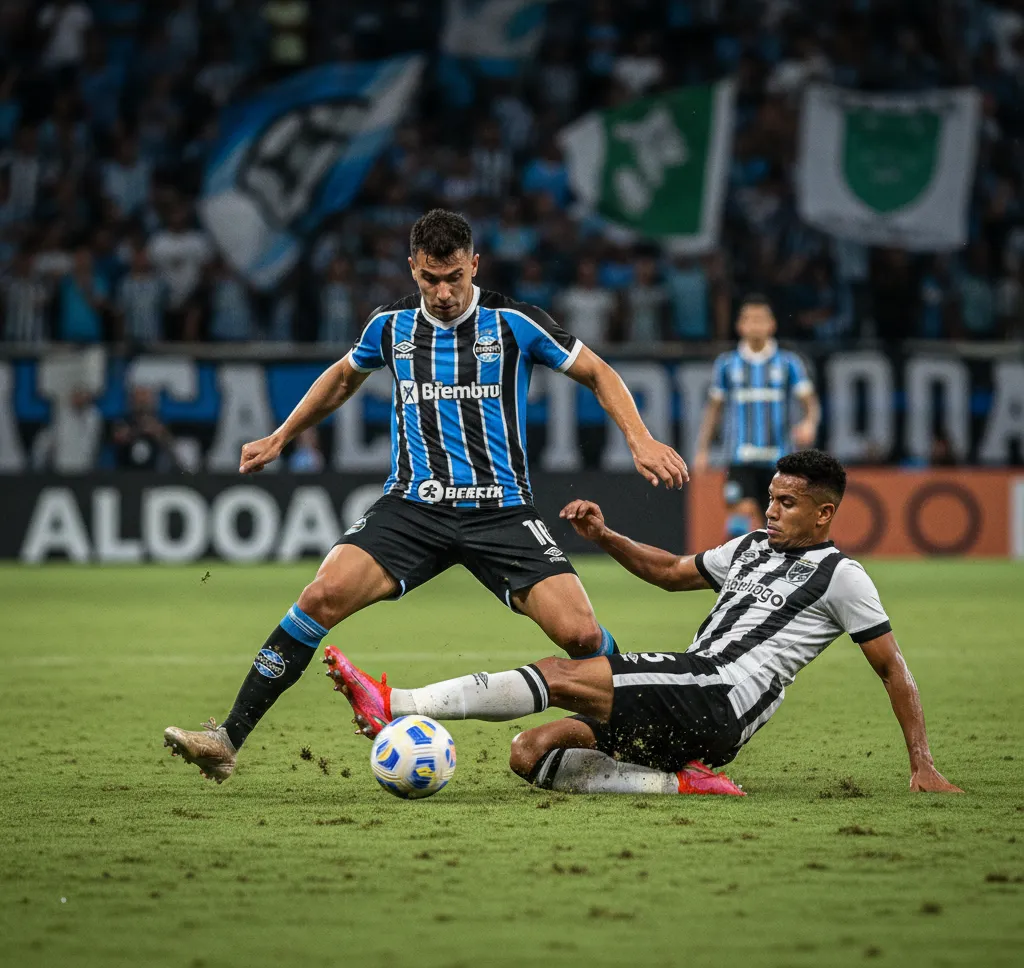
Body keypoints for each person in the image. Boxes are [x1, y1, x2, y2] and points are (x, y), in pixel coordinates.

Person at [164, 208, 687, 781]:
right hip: (412, 507)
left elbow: (598, 373)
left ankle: (648, 735)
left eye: (455, 278)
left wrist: (640, 438)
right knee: (319, 597)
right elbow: (342, 377)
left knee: (583, 634)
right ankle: (226, 739)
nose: (442, 292)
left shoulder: (515, 322)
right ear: (412, 268)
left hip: (500, 510)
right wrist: (281, 436)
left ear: (474, 265)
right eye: (430, 279)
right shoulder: (388, 327)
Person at [328, 450, 962, 798]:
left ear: (824, 515)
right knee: (530, 754)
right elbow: (668, 570)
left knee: (562, 672)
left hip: (719, 697)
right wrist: (604, 536)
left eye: (786, 503)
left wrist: (922, 762)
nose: (770, 510)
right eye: (769, 497)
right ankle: (677, 784)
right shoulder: (748, 548)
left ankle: (396, 702)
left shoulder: (841, 577)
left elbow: (892, 670)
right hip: (688, 697)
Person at [694, 295, 820, 538]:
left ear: (772, 325)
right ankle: (735, 568)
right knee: (738, 511)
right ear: (740, 326)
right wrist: (703, 450)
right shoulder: (727, 364)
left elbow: (809, 402)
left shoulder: (789, 363)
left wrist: (809, 423)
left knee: (776, 520)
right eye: (749, 320)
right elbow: (714, 410)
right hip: (739, 456)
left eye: (760, 320)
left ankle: (772, 570)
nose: (755, 325)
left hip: (778, 459)